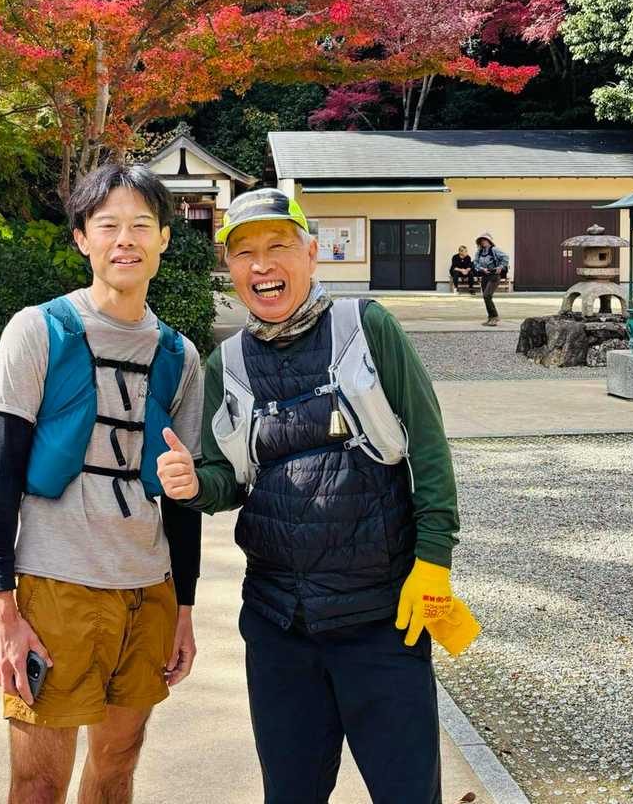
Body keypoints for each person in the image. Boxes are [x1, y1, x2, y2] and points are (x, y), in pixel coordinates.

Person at [159, 187, 462, 804]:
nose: (262, 265)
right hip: (278, 623)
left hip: (379, 617)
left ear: (311, 254)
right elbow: (228, 481)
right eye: (244, 253)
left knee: (408, 793)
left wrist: (434, 559)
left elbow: (428, 446)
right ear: (230, 267)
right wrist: (192, 486)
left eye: (279, 246)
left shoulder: (366, 327)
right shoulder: (227, 363)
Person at [0, 163, 204, 804]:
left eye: (141, 225)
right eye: (108, 225)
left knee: (117, 769)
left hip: (148, 589)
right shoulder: (37, 330)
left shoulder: (180, 356)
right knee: (37, 782)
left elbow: (182, 501)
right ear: (82, 238)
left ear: (164, 238)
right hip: (55, 586)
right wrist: (0, 608)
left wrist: (184, 608)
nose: (124, 239)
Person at [472, 233, 509, 326]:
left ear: (489, 241)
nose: (483, 242)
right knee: (486, 297)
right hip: (485, 275)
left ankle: (495, 317)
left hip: (494, 275)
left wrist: (500, 267)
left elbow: (505, 258)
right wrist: (482, 269)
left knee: (487, 295)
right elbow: (475, 263)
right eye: (481, 240)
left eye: (485, 240)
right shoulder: (479, 252)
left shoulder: (494, 250)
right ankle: (490, 318)